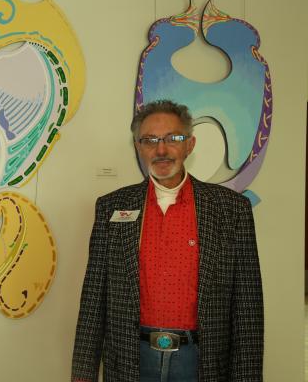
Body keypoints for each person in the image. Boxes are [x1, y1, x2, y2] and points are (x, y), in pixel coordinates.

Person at [71, 100, 263, 382]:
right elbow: (93, 300)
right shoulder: (112, 207)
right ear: (139, 147)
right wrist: (83, 373)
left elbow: (247, 305)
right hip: (130, 359)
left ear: (190, 144)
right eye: (150, 140)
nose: (161, 150)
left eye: (173, 138)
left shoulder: (230, 209)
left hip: (201, 361)